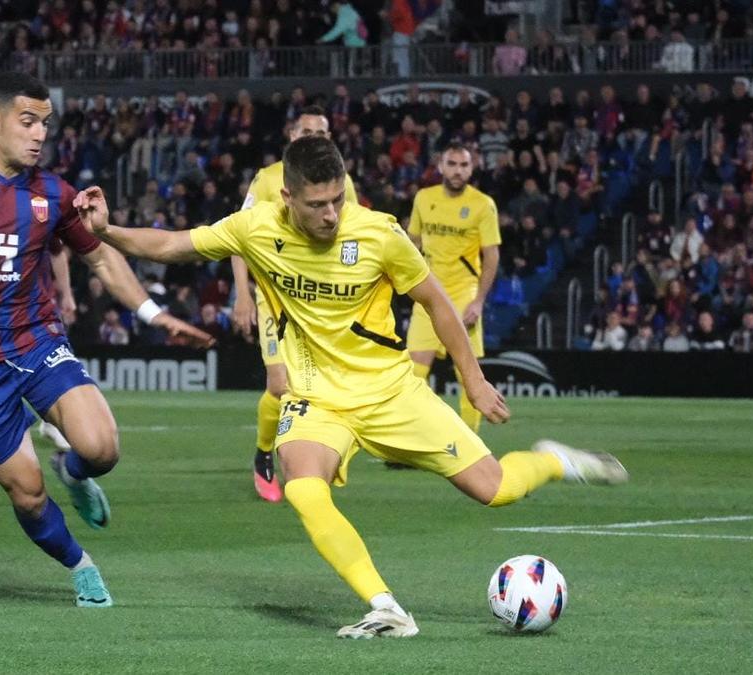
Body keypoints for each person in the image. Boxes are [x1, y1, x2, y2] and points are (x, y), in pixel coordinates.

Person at [73, 136, 628, 638]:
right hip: (317, 397)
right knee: (302, 485)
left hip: (391, 392)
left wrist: (474, 380)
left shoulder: (379, 233)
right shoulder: (255, 226)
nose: (332, 213)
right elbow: (172, 244)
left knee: (496, 489)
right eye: (317, 204)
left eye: (338, 198)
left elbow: (437, 302)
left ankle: (553, 461)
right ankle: (386, 607)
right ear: (287, 196)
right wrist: (105, 231)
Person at [0, 72, 213, 609]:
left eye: (45, 125)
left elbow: (101, 256)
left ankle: (74, 471)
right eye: (27, 122)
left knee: (102, 449)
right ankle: (81, 566)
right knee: (27, 493)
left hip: (36, 341)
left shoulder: (53, 194)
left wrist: (154, 314)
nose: (39, 135)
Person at [232, 105, 360, 502]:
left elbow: (356, 239)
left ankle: (321, 451)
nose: (314, 139)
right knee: (279, 382)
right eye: (307, 132)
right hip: (276, 298)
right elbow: (237, 237)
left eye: (321, 134)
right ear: (291, 134)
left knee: (326, 385)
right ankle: (263, 455)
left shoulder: (342, 183)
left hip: (323, 302)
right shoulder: (269, 180)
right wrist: (242, 294)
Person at [405, 143, 500, 433]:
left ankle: (470, 444)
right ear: (441, 166)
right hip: (427, 292)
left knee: (467, 373)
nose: (458, 171)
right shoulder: (424, 198)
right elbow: (412, 244)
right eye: (452, 164)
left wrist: (479, 301)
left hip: (462, 294)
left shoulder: (483, 204)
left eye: (464, 165)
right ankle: (410, 441)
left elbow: (492, 255)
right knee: (413, 372)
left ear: (472, 169)